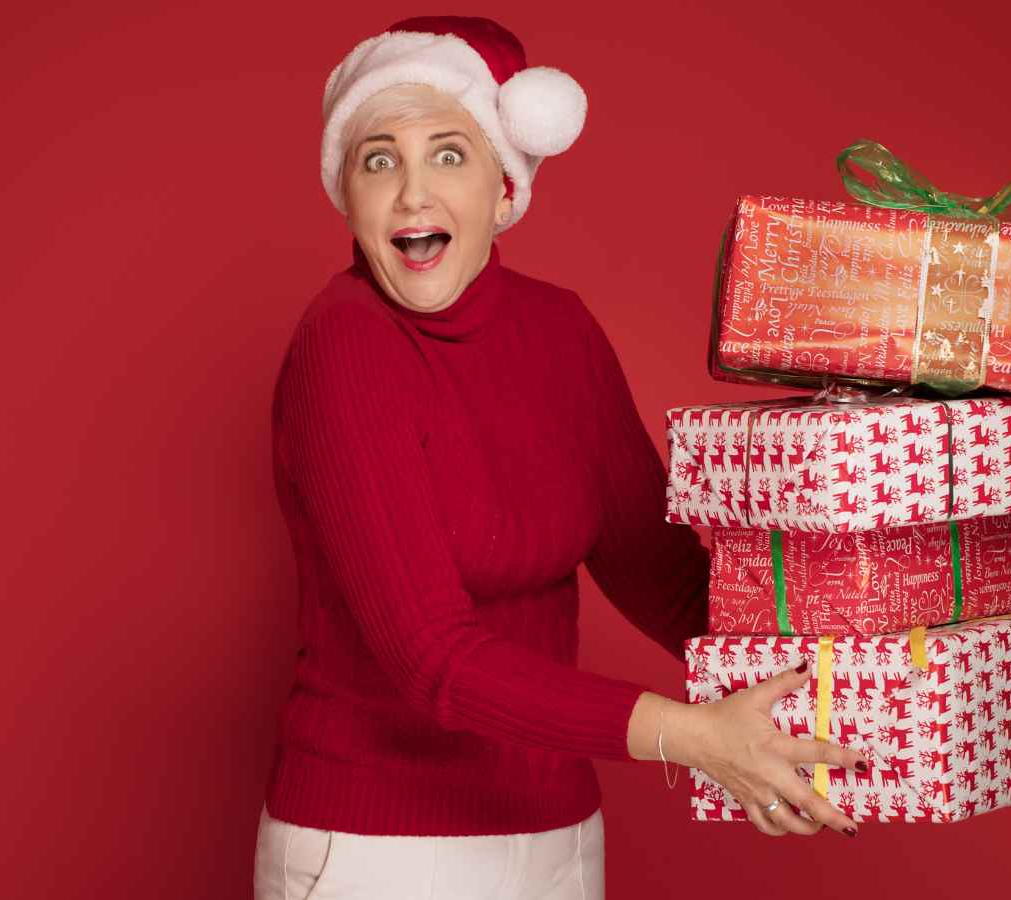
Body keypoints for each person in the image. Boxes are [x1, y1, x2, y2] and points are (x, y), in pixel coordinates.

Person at [254, 17, 866, 900]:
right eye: (378, 160)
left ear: (505, 191)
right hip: (375, 847)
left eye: (450, 155)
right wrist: (702, 740)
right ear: (345, 196)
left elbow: (665, 580)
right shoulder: (344, 344)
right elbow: (434, 660)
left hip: (558, 839)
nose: (412, 193)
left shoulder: (560, 331)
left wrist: (842, 689)